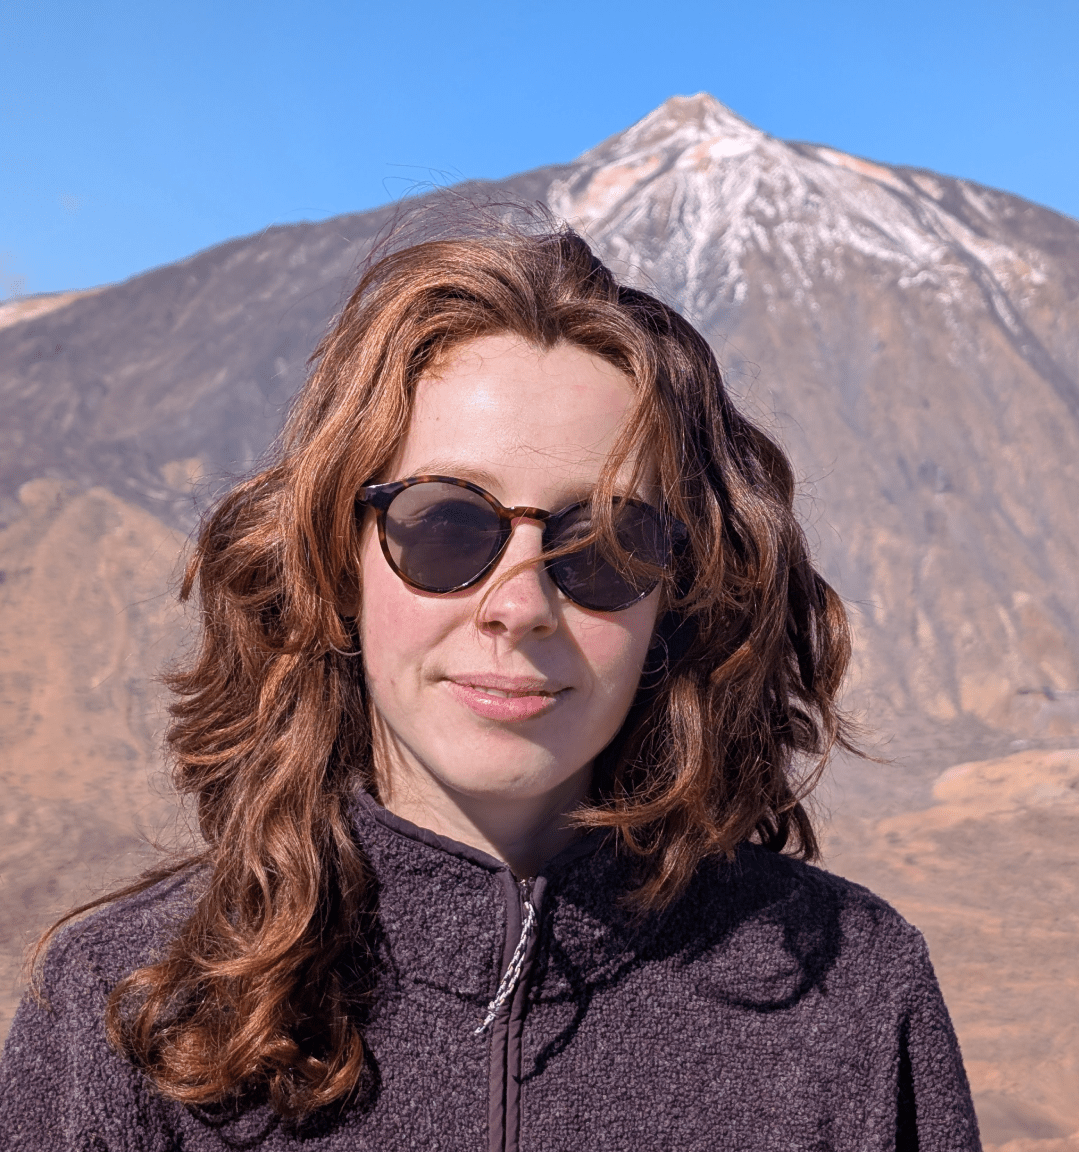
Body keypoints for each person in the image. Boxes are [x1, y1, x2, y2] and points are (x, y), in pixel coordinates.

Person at [0, 223, 981, 1150]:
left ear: (674, 601)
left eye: (600, 542)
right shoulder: (131, 1013)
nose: (521, 606)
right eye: (446, 526)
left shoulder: (848, 992)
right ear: (337, 563)